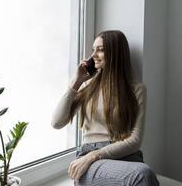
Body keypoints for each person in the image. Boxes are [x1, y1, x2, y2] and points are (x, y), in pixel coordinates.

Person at [51, 30, 160, 186]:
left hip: (125, 157)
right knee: (143, 175)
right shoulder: (88, 86)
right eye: (93, 50)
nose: (93, 55)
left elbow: (135, 140)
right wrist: (77, 81)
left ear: (116, 54)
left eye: (100, 50)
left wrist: (96, 155)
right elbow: (56, 122)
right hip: (90, 162)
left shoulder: (137, 89)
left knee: (144, 175)